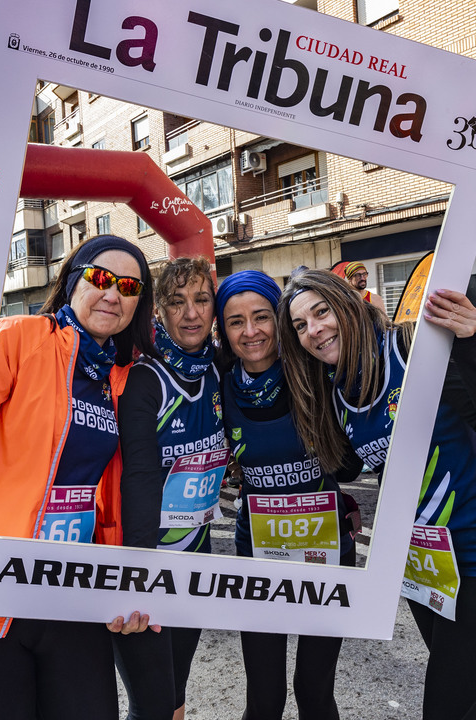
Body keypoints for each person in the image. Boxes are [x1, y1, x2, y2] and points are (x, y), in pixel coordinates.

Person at [0, 235, 160, 720]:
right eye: (100, 278)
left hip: (67, 595)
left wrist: (131, 581)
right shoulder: (16, 338)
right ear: (73, 281)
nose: (113, 293)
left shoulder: (122, 377)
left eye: (129, 286)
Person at [279, 270, 476, 720]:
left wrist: (468, 346)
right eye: (300, 325)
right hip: (424, 568)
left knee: (447, 707)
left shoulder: (411, 350)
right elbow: (348, 466)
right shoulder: (336, 386)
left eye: (322, 311)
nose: (314, 329)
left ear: (350, 304)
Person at [216, 270, 357, 720]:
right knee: (264, 697)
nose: (250, 331)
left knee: (313, 693)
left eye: (261, 317)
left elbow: (388, 412)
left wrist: (473, 442)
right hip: (258, 555)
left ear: (280, 320)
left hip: (326, 552)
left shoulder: (318, 371)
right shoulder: (217, 385)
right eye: (236, 321)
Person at [114, 256, 225, 720]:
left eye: (201, 300)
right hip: (146, 567)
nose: (191, 313)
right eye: (177, 303)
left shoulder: (220, 368)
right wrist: (139, 579)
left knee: (175, 695)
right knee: (152, 705)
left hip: (196, 565)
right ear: (158, 310)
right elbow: (138, 478)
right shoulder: (146, 379)